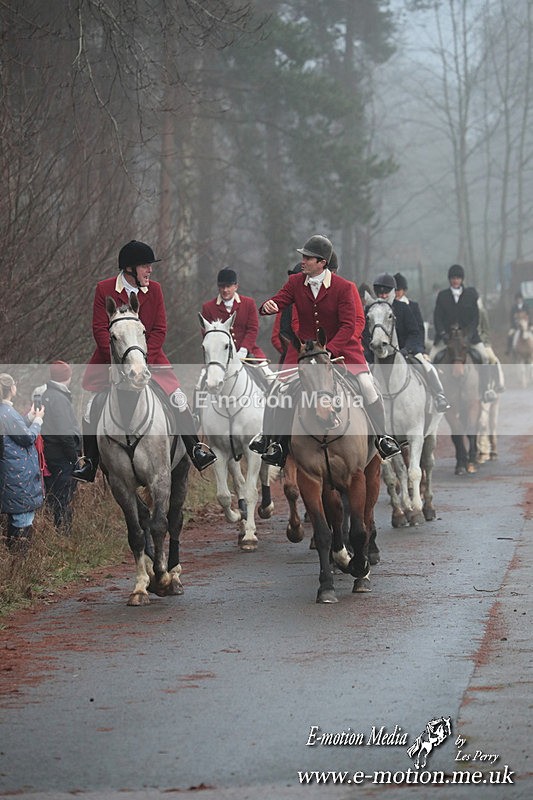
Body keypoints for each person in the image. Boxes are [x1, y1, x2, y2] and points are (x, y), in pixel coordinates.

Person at [249, 234, 402, 466]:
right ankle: (275, 443)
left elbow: (349, 325)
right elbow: (279, 300)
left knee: (368, 387)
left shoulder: (345, 288)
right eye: (303, 256)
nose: (303, 261)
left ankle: (382, 438)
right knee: (280, 389)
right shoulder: (295, 283)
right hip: (309, 353)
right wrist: (268, 306)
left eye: (308, 258)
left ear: (322, 262)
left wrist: (328, 351)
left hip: (344, 351)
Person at [73, 240, 216, 482]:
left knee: (179, 400)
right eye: (145, 266)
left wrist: (143, 358)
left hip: (151, 358)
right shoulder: (104, 289)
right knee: (90, 408)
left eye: (150, 266)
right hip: (112, 360)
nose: (150, 271)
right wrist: (119, 359)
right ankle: (90, 462)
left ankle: (195, 449)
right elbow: (99, 329)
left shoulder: (156, 290)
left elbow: (160, 328)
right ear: (129, 269)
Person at [430, 264, 497, 403]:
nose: (456, 280)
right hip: (447, 337)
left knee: (484, 357)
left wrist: (469, 335)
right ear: (450, 279)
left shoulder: (470, 295)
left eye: (458, 278)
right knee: (431, 359)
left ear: (462, 279)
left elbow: (475, 318)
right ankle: (435, 396)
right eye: (453, 278)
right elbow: (437, 318)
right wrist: (443, 334)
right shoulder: (443, 296)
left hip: (469, 337)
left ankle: (486, 389)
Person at [390, 272, 451, 412]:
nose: (396, 293)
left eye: (398, 290)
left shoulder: (413, 306)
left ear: (404, 290)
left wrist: (419, 349)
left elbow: (419, 330)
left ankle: (439, 395)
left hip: (411, 348)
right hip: (393, 349)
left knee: (427, 366)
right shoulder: (388, 306)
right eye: (394, 290)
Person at [32, 361, 81, 533]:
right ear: (67, 376)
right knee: (62, 497)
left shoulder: (46, 394)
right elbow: (65, 433)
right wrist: (74, 457)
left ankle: (54, 530)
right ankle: (63, 534)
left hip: (51, 453)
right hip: (62, 457)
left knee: (54, 494)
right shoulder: (59, 398)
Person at [0, 373, 45, 552]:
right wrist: (38, 420)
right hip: (18, 475)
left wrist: (28, 417)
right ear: (11, 389)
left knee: (18, 518)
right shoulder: (7, 412)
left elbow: (15, 432)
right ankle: (19, 562)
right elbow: (27, 438)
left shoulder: (6, 412)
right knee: (22, 520)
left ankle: (15, 563)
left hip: (11, 473)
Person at [201, 268, 267, 362]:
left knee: (267, 374)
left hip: (248, 352)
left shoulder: (249, 303)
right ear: (218, 287)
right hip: (219, 357)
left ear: (236, 286)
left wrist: (244, 349)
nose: (225, 290)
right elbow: (207, 334)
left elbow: (252, 329)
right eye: (222, 286)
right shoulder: (208, 308)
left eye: (228, 286)